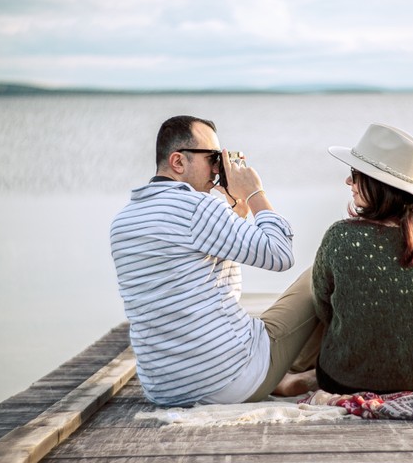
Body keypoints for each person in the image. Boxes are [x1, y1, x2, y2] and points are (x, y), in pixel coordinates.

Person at [110, 115, 318, 407]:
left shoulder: (124, 220)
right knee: (324, 269)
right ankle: (318, 373)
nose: (219, 168)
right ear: (178, 162)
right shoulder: (198, 207)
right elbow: (280, 254)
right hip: (230, 380)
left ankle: (282, 376)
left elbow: (201, 275)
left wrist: (237, 213)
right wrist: (255, 193)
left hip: (165, 389)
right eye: (212, 158)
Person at [312, 122, 413, 394]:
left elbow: (323, 308)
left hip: (344, 380)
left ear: (376, 183)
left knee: (315, 280)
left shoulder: (340, 237)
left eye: (354, 174)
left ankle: (298, 368)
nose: (348, 182)